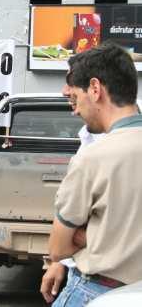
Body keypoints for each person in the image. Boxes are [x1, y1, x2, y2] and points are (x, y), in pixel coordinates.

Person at [46, 42, 142, 306]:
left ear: (95, 89)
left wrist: (98, 235)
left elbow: (57, 248)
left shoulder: (93, 158)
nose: (75, 109)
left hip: (98, 291)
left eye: (75, 97)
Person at [41, 126, 104, 304]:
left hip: (99, 284)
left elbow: (58, 247)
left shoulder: (101, 154)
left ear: (96, 95)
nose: (66, 96)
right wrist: (60, 262)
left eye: (76, 95)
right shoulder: (89, 139)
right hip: (83, 276)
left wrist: (90, 239)